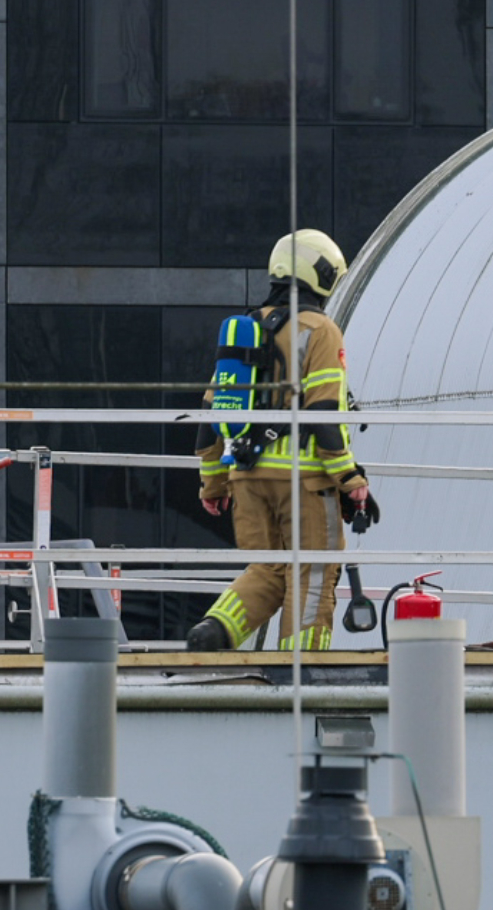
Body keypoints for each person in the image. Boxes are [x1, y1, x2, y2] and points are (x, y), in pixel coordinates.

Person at [188, 229, 372, 651]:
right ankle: (300, 672)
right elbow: (324, 415)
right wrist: (350, 479)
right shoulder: (321, 330)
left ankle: (212, 632)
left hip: (247, 478)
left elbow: (210, 418)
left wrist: (213, 484)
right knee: (312, 574)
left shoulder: (244, 331)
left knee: (268, 570)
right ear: (320, 275)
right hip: (306, 481)